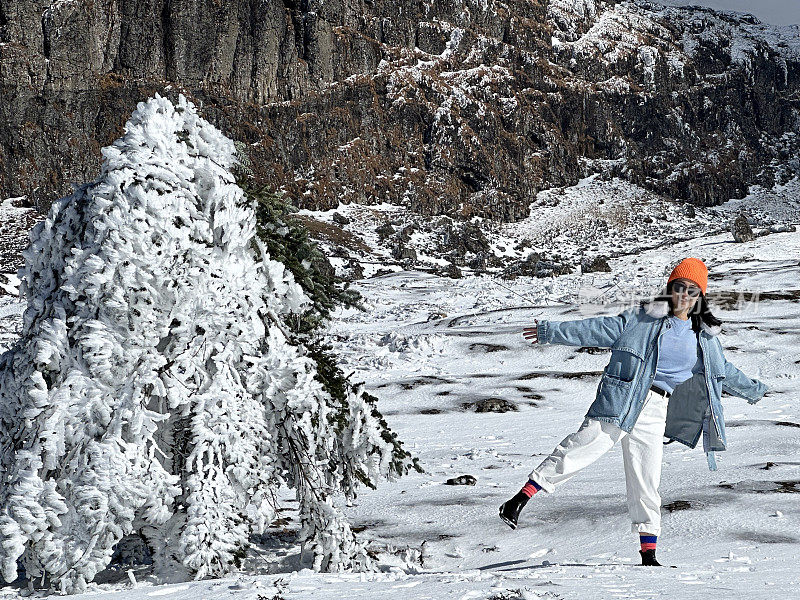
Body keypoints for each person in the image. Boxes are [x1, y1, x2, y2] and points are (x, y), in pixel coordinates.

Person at [498, 258, 769, 566]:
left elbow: (724, 372)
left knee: (646, 478)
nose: (684, 295)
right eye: (679, 287)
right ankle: (519, 500)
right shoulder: (640, 320)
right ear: (670, 289)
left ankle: (648, 553)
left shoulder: (703, 340)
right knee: (583, 446)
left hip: (657, 408)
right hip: (622, 399)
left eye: (692, 290)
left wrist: (755, 390)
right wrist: (550, 331)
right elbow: (595, 329)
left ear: (700, 297)